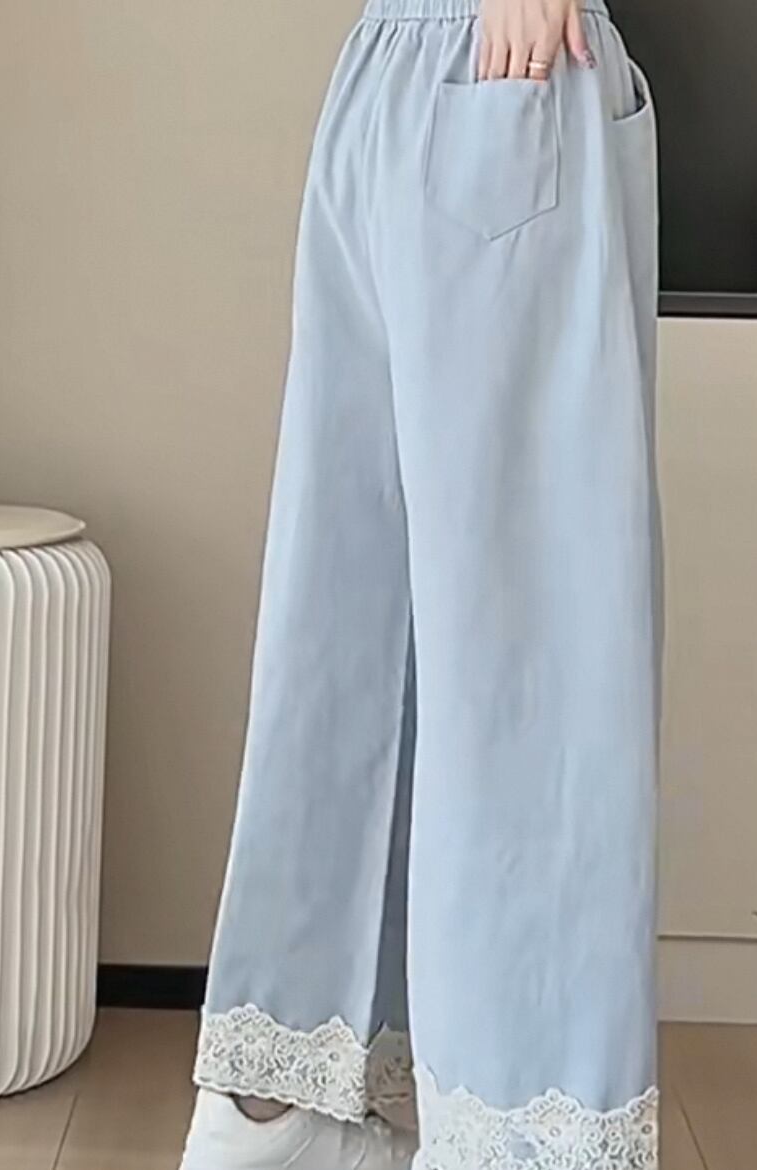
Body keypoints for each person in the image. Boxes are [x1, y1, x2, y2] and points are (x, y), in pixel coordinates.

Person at [179, 0, 661, 1165]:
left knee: (351, 602)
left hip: (387, 77)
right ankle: (516, 1137)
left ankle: (294, 1106)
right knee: (535, 653)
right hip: (506, 70)